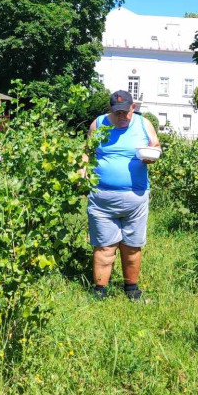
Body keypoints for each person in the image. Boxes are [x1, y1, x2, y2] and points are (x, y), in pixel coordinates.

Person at [84, 90, 161, 300]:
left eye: (125, 112)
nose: (121, 117)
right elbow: (87, 152)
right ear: (110, 110)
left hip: (135, 198)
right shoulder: (98, 124)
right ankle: (100, 291)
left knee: (132, 246)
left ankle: (132, 289)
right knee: (104, 247)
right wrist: (82, 170)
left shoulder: (144, 124)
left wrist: (152, 154)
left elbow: (155, 145)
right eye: (117, 113)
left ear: (133, 108)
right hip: (102, 200)